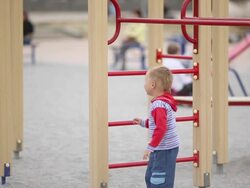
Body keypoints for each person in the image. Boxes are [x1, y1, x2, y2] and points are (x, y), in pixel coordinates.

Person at [133, 66, 179, 188]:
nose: (144, 85)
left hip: (164, 149)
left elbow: (161, 128)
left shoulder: (159, 105)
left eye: (145, 82)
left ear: (152, 84)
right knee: (150, 177)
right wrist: (143, 122)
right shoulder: (162, 101)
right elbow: (158, 123)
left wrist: (150, 146)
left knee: (159, 180)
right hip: (162, 147)